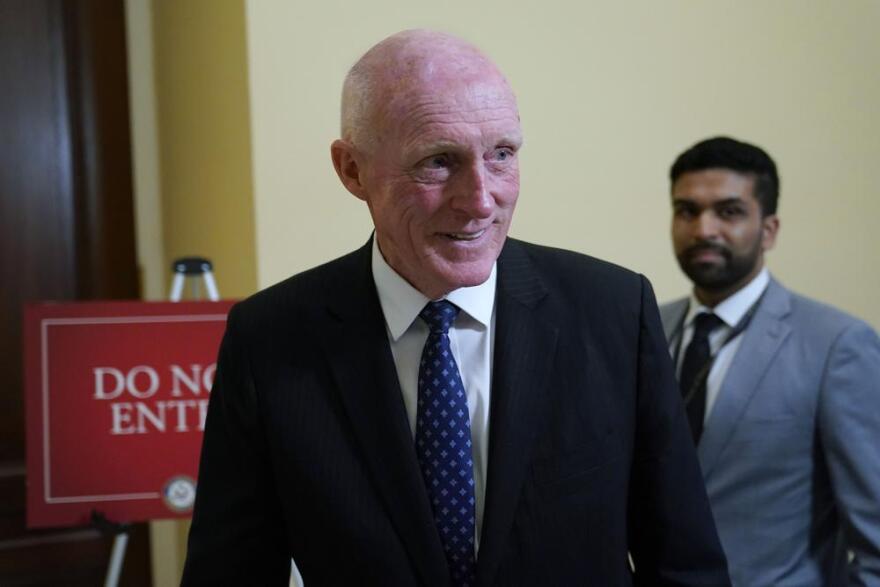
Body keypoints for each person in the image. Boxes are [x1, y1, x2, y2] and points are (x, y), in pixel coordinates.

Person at [182, 30, 729, 586]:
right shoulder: (271, 339)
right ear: (352, 171)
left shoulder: (613, 312)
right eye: (438, 161)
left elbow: (685, 565)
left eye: (501, 155)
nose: (480, 200)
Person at [660, 136, 880, 586]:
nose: (704, 229)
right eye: (687, 210)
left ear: (770, 229)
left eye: (729, 211)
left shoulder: (837, 345)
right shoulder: (643, 329)